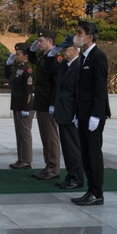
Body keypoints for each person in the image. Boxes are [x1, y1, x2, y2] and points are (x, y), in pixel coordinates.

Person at [71, 21, 110, 206]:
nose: (77, 35)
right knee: (85, 154)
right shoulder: (85, 57)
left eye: (79, 32)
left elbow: (100, 89)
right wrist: (78, 114)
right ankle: (90, 190)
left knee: (94, 154)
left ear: (89, 37)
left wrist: (96, 115)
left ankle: (97, 193)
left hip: (93, 115)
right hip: (84, 113)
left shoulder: (98, 56)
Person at [44, 35, 84, 189]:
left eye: (66, 49)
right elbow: (49, 69)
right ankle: (71, 175)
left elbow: (79, 92)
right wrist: (51, 54)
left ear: (75, 50)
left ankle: (77, 178)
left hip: (71, 113)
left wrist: (77, 114)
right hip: (63, 112)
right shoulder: (65, 65)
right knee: (67, 148)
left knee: (73, 148)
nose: (63, 52)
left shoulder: (78, 65)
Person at [27, 29, 61, 180]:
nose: (38, 43)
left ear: (49, 41)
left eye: (41, 41)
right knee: (44, 136)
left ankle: (53, 168)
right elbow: (33, 60)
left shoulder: (55, 58)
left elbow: (56, 83)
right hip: (41, 101)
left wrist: (53, 104)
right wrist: (31, 51)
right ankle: (48, 166)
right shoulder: (44, 56)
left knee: (51, 137)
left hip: (48, 102)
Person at [4, 42, 34, 169]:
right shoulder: (19, 68)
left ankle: (26, 160)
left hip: (24, 105)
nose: (16, 56)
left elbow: (29, 90)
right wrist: (8, 65)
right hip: (17, 104)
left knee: (25, 133)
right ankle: (21, 158)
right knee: (19, 132)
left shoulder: (28, 69)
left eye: (18, 54)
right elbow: (8, 77)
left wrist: (27, 108)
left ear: (25, 55)